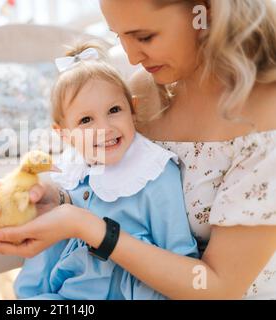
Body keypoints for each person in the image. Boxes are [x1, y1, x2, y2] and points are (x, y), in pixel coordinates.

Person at [0, 0, 276, 299]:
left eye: (144, 37)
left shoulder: (267, 124)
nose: (131, 58)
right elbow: (115, 184)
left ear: (205, 13)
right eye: (119, 37)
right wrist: (56, 199)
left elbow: (217, 289)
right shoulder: (147, 91)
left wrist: (85, 227)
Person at [13, 42, 198, 300]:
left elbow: (180, 258)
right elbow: (47, 253)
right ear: (64, 134)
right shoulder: (71, 172)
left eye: (114, 110)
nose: (105, 128)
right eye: (86, 120)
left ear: (132, 110)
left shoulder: (154, 172)